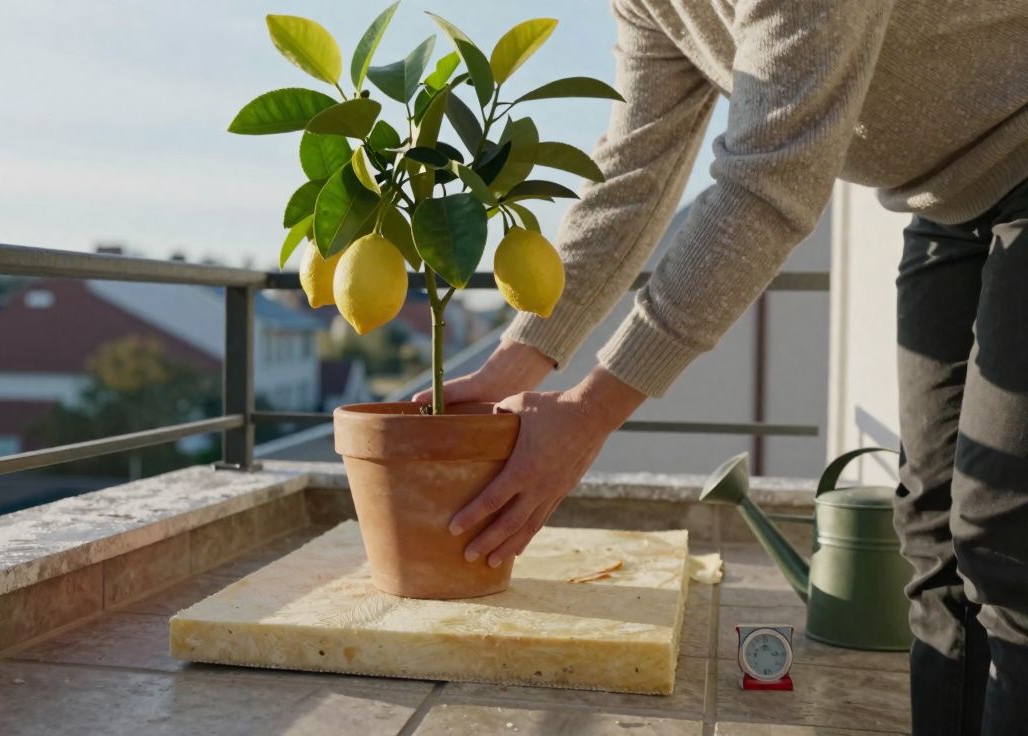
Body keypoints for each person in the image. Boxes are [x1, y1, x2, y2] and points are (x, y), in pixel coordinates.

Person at [413, 1, 1028, 733]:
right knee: (929, 530)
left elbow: (772, 178)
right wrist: (521, 356)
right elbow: (633, 170)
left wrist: (589, 412)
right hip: (946, 204)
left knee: (1000, 533)